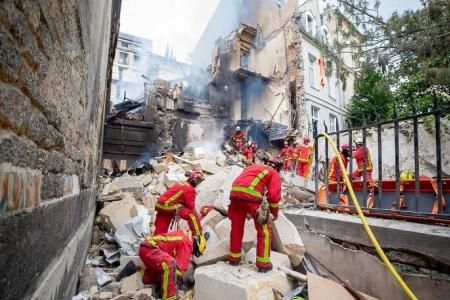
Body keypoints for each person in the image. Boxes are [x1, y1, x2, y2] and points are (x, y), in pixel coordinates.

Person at [117, 230, 208, 300]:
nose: (192, 254)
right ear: (196, 247)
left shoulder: (185, 236)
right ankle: (169, 297)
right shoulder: (188, 244)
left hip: (147, 247)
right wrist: (178, 285)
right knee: (170, 265)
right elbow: (180, 269)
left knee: (158, 277)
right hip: (151, 248)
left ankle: (134, 269)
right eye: (195, 253)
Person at [228, 164, 282, 272]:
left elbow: (244, 181)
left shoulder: (252, 167)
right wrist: (274, 212)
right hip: (251, 196)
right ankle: (263, 264)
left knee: (236, 228)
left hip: (234, 194)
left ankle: (234, 258)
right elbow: (273, 196)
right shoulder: (273, 173)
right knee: (264, 231)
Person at [154, 171, 205, 237]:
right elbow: (190, 205)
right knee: (192, 214)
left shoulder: (181, 182)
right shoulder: (190, 189)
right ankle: (198, 238)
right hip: (168, 206)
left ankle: (157, 241)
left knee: (162, 225)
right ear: (194, 180)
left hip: (160, 205)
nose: (199, 182)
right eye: (198, 180)